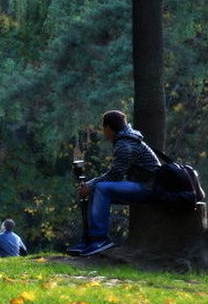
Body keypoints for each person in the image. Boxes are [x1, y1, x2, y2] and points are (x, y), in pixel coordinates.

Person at [69, 110, 161, 257]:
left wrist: (89, 185)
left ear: (108, 128)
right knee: (98, 189)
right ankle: (89, 239)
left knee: (101, 188)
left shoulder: (125, 145)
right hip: (142, 185)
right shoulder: (126, 140)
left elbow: (114, 176)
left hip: (149, 188)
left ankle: (100, 239)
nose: (103, 132)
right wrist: (90, 186)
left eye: (103, 128)